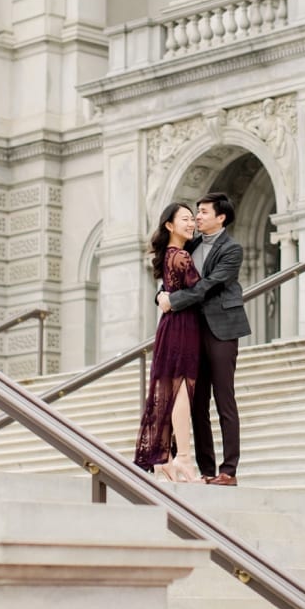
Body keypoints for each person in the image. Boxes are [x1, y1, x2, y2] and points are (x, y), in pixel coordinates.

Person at [158, 191, 247, 485]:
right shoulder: (190, 244)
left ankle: (228, 470)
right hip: (192, 331)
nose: (197, 217)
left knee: (224, 399)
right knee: (196, 403)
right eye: (195, 212)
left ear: (221, 217)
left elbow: (208, 285)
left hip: (221, 330)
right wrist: (160, 295)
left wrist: (175, 300)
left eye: (204, 212)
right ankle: (207, 469)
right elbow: (169, 279)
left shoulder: (232, 250)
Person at [132, 202, 205, 482]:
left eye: (192, 219)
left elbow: (169, 291)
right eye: (185, 219)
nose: (191, 223)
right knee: (182, 391)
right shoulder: (181, 258)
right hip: (183, 326)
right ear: (169, 226)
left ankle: (165, 458)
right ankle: (184, 458)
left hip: (170, 327)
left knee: (171, 390)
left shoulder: (168, 256)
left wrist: (164, 297)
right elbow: (200, 292)